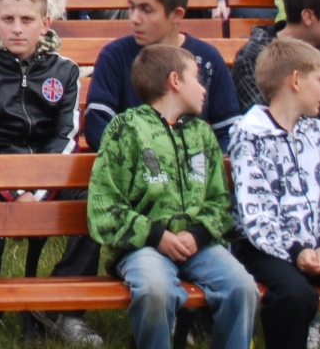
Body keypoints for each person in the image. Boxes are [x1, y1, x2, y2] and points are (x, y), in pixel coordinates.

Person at [0, 0, 96, 345]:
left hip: (50, 176)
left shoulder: (65, 71)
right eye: (8, 19)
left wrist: (39, 192)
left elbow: (65, 138)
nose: (17, 28)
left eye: (27, 20)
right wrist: (16, 193)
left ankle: (63, 306)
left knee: (96, 198)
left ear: (45, 23)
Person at [88, 41, 258, 349]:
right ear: (175, 81)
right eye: (197, 79)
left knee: (241, 286)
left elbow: (219, 201)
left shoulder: (202, 134)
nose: (204, 88)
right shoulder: (125, 130)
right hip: (142, 247)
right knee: (156, 290)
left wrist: (197, 235)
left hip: (198, 246)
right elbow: (105, 206)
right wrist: (157, 236)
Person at [85, 0, 244, 151]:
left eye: (146, 10)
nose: (134, 18)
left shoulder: (207, 58)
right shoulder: (114, 56)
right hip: (131, 164)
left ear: (176, 15)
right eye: (132, 7)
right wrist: (145, 158)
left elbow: (228, 131)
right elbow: (97, 126)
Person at [226, 37, 320, 349]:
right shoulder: (249, 136)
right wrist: (297, 251)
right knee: (295, 295)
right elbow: (256, 209)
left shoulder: (315, 132)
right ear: (296, 80)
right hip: (264, 247)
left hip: (315, 246)